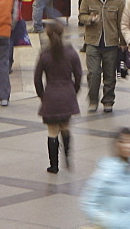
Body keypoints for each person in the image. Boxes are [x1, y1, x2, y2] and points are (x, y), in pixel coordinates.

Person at [81, 128, 130, 229]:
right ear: (116, 144)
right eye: (123, 142)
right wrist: (104, 220)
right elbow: (89, 200)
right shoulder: (106, 170)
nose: (128, 146)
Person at [34, 19, 82, 173]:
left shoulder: (44, 54)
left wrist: (43, 95)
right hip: (67, 94)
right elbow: (79, 75)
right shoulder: (71, 53)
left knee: (52, 132)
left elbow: (37, 79)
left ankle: (53, 165)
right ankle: (67, 157)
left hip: (51, 95)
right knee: (66, 128)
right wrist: (73, 91)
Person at [79, 0, 125, 114]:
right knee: (93, 73)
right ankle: (93, 100)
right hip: (92, 41)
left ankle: (108, 101)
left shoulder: (118, 0)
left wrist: (123, 42)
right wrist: (90, 19)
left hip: (111, 43)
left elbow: (121, 22)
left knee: (110, 74)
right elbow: (81, 16)